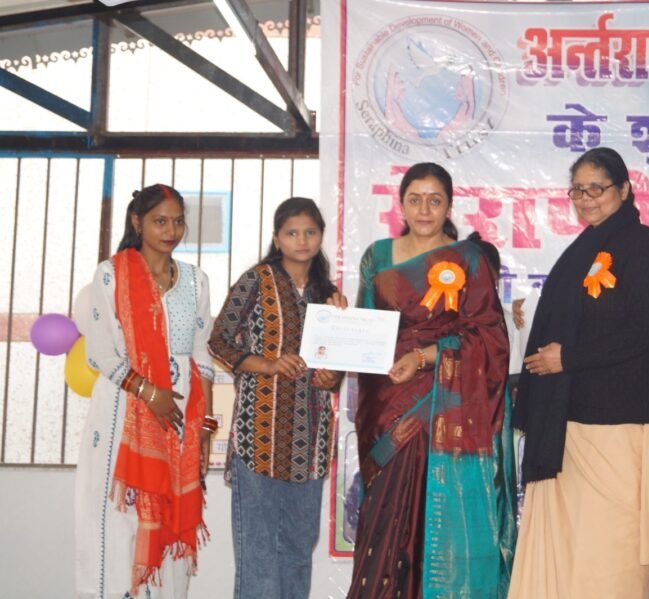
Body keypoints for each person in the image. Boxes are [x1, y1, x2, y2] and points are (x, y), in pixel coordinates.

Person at [509, 147, 649, 599]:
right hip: (569, 423)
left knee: (612, 550)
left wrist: (567, 358)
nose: (586, 199)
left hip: (619, 425)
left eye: (597, 189)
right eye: (578, 190)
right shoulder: (583, 250)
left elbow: (645, 334)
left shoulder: (644, 248)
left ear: (624, 190)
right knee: (572, 551)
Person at [347, 162, 516, 598]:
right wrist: (337, 334)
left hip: (447, 409)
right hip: (387, 403)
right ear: (401, 204)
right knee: (385, 520)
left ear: (449, 206)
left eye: (434, 200)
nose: (424, 209)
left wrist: (426, 357)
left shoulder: (470, 260)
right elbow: (366, 329)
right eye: (415, 199)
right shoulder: (377, 256)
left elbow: (491, 338)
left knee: (440, 522)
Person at [74, 184, 216, 599]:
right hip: (122, 410)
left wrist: (205, 427)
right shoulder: (111, 275)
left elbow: (202, 355)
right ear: (138, 222)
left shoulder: (196, 281)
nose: (171, 231)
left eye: (178, 222)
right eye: (160, 221)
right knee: (117, 517)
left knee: (170, 515)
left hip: (180, 417)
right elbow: (100, 352)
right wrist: (149, 392)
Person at [207, 197, 343, 599]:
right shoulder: (256, 280)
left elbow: (337, 361)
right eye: (292, 232)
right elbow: (219, 341)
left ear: (321, 236)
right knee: (260, 554)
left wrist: (332, 376)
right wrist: (267, 365)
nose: (302, 240)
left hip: (310, 441)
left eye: (310, 232)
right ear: (277, 238)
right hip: (260, 437)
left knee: (299, 551)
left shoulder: (328, 294)